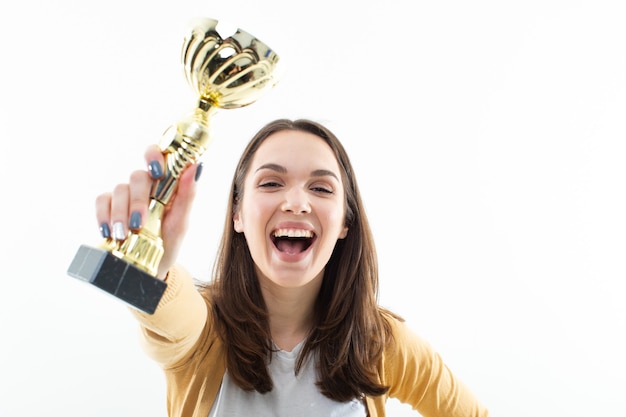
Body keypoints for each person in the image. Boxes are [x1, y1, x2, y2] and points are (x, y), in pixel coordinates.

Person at [95, 118, 490, 417]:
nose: (296, 202)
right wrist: (150, 262)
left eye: (320, 188)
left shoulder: (379, 341)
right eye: (270, 184)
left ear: (344, 222)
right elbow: (165, 312)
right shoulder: (205, 333)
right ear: (238, 215)